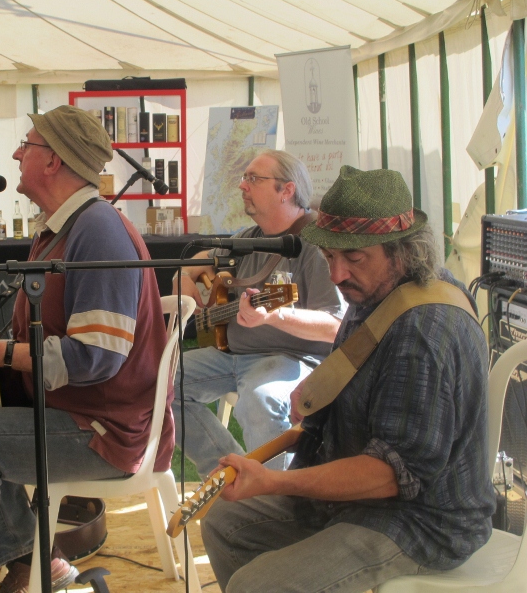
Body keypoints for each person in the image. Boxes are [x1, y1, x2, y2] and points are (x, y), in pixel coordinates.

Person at [200, 165, 497, 593]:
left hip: (420, 520)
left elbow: (390, 475)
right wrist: (324, 393)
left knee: (257, 585)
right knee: (226, 524)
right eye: (328, 257)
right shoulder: (377, 289)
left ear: (400, 251)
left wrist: (274, 480)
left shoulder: (425, 332)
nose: (337, 275)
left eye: (353, 258)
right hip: (361, 500)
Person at [0, 105, 172, 593]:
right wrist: (1, 380)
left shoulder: (98, 230)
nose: (17, 153)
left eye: (27, 144)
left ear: (53, 160)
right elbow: (49, 337)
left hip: (109, 430)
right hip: (78, 409)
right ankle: (32, 558)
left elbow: (97, 357)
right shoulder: (62, 228)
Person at [172, 149, 343, 475]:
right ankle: (228, 473)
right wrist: (184, 276)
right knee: (155, 380)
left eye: (254, 178)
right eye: (244, 177)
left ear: (287, 190)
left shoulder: (317, 243)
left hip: (291, 359)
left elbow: (335, 325)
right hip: (229, 355)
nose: (242, 185)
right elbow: (196, 262)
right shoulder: (246, 239)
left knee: (260, 401)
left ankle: (275, 500)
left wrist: (275, 316)